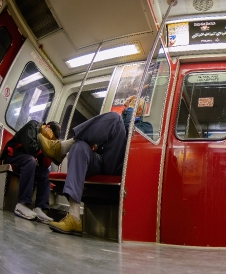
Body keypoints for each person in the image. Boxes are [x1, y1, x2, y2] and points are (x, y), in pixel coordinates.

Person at [39, 96, 152, 235]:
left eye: (132, 104)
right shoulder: (114, 126)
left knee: (115, 119)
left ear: (139, 109)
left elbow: (131, 136)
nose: (126, 106)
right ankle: (74, 216)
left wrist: (130, 110)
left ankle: (62, 148)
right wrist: (96, 146)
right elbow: (103, 148)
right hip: (102, 161)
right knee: (79, 147)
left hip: (120, 165)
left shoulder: (146, 126)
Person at [1, 120, 61, 223]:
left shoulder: (45, 140)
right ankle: (21, 204)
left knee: (45, 173)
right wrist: (44, 147)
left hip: (25, 160)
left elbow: (44, 164)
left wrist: (50, 154)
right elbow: (30, 148)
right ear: (47, 127)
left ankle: (39, 208)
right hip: (12, 156)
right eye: (51, 138)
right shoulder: (33, 126)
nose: (50, 140)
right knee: (30, 160)